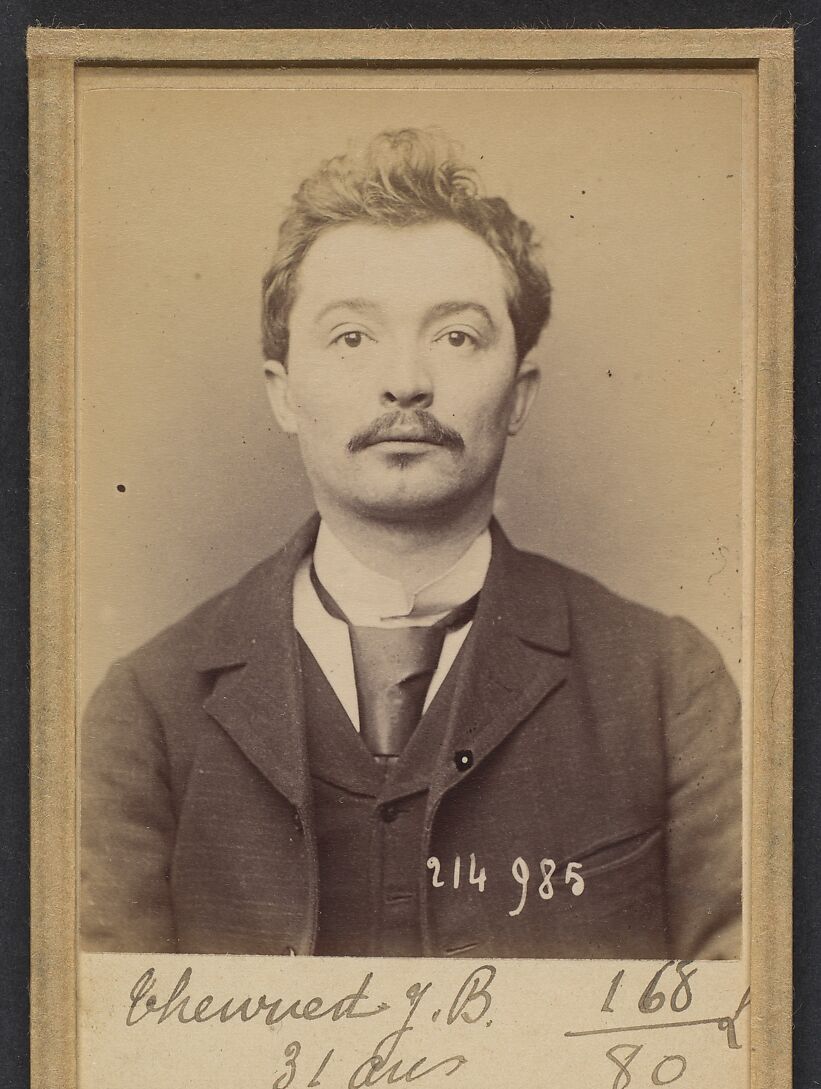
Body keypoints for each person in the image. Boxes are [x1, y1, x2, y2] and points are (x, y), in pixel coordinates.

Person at [81, 128, 741, 959]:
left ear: (519, 396)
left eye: (455, 336)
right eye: (351, 337)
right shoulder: (147, 706)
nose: (406, 380)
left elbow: (743, 1039)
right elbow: (101, 1055)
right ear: (283, 395)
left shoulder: (665, 684)